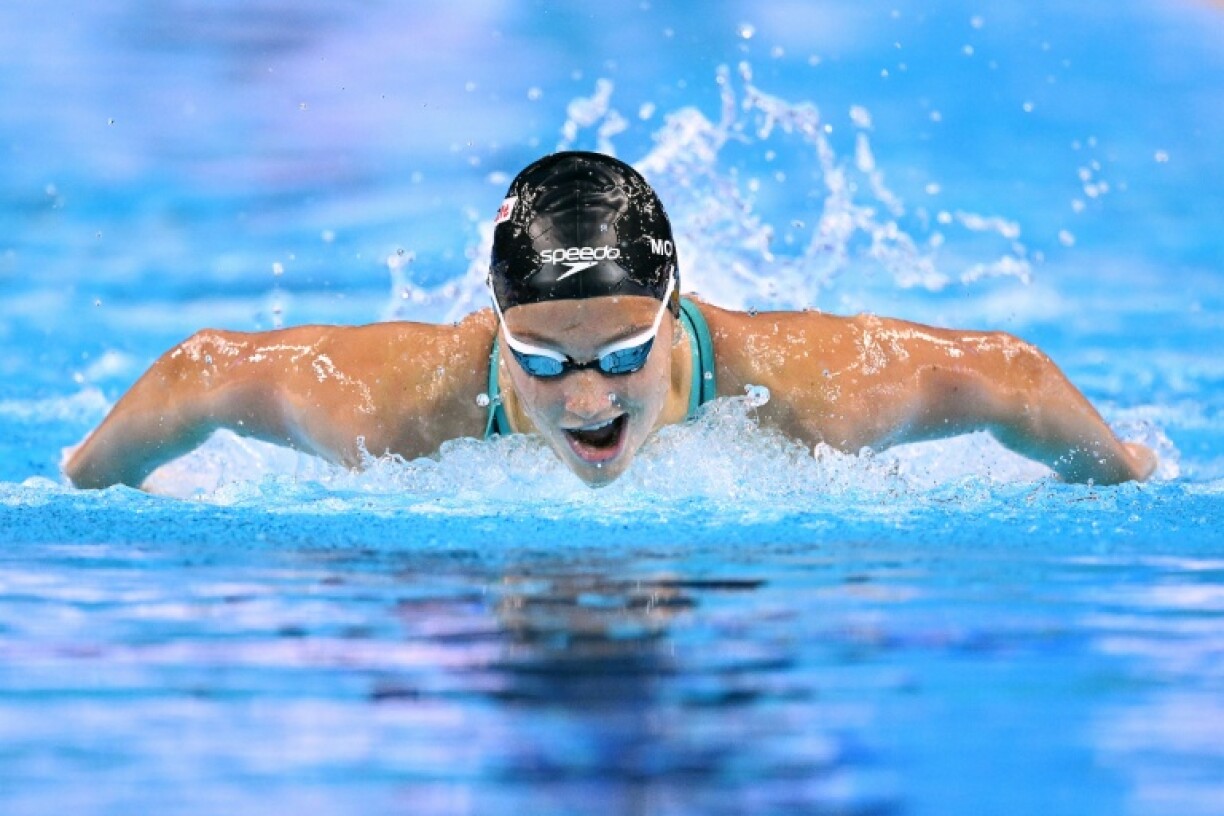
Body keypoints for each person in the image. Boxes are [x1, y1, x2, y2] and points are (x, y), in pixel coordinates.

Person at [64, 151, 1156, 490]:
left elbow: (1012, 376)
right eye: (544, 361)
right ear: (495, 330)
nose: (590, 399)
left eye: (625, 353)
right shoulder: (400, 411)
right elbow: (196, 374)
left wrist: (1125, 475)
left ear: (673, 313)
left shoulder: (804, 393)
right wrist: (78, 489)